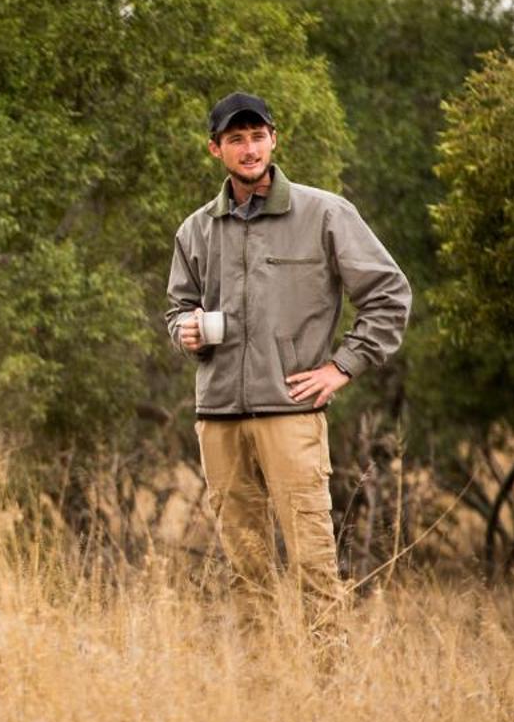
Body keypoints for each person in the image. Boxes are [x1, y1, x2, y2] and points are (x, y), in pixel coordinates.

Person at [166, 91, 411, 636]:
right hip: (219, 417)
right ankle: (262, 693)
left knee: (312, 562)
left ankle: (329, 688)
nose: (249, 149)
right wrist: (184, 331)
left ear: (274, 140)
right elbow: (177, 310)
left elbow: (389, 295)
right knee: (244, 568)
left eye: (257, 136)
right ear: (216, 150)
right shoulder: (195, 230)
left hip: (291, 413)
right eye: (236, 139)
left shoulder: (324, 213)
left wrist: (342, 367)